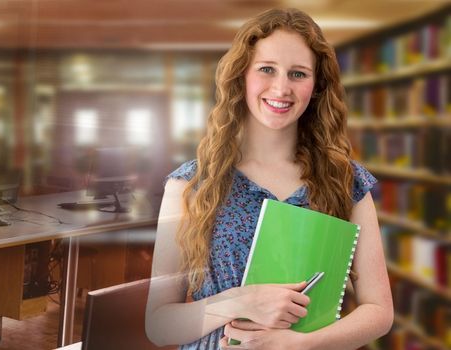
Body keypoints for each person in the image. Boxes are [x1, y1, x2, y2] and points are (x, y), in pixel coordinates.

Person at [144, 8, 392, 350]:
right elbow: (158, 324)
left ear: (316, 86)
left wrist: (299, 345)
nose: (281, 88)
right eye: (266, 69)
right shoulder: (190, 184)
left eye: (298, 74)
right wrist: (240, 301)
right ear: (241, 76)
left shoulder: (346, 182)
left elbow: (379, 311)